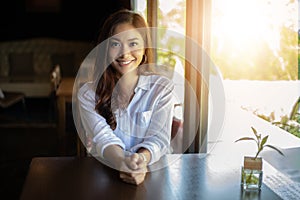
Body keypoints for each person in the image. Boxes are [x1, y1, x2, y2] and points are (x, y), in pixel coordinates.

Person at [77, 9, 174, 185]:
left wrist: (140, 161)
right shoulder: (87, 94)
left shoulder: (162, 89)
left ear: (145, 47)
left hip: (152, 175)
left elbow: (158, 139)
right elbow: (103, 137)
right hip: (104, 176)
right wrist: (122, 162)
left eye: (133, 43)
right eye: (115, 44)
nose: (124, 53)